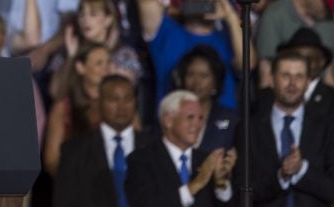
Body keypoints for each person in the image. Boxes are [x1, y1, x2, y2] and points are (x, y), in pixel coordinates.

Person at [136, 0, 252, 109]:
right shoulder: (166, 31)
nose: (201, 4)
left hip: (221, 126)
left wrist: (230, 16)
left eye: (208, 0)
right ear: (184, 1)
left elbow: (248, 64)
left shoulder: (228, 37)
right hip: (173, 124)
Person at [235, 51, 334, 206]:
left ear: (308, 82)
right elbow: (242, 191)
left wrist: (301, 169)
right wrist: (281, 177)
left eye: (299, 76)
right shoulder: (249, 129)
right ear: (272, 80)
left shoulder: (326, 127)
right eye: (286, 75)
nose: (292, 83)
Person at [54, 75, 151, 207]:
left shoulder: (153, 145)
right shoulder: (74, 150)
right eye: (113, 99)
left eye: (127, 99)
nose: (121, 107)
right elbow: (64, 201)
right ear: (98, 103)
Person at [125, 90, 236, 206]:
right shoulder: (141, 161)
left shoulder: (206, 161)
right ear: (168, 121)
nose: (198, 125)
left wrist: (221, 185)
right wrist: (196, 184)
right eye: (190, 117)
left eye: (200, 118)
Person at [255, 0, 334, 87]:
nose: (330, 7)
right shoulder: (275, 15)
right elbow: (266, 72)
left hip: (323, 100)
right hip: (285, 98)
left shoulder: (330, 19)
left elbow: (329, 74)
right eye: (326, 2)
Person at [43, 44, 112, 176]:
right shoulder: (63, 108)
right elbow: (51, 161)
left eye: (109, 62)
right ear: (81, 68)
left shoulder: (120, 104)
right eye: (99, 64)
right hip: (74, 185)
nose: (106, 69)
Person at [254, 28, 334, 119]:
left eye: (309, 59)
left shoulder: (331, 98)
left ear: (321, 62)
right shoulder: (265, 97)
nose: (302, 65)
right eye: (296, 58)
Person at [174, 45, 238, 152]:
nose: (196, 82)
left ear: (216, 82)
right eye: (190, 74)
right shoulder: (172, 117)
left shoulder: (231, 119)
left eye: (203, 75)